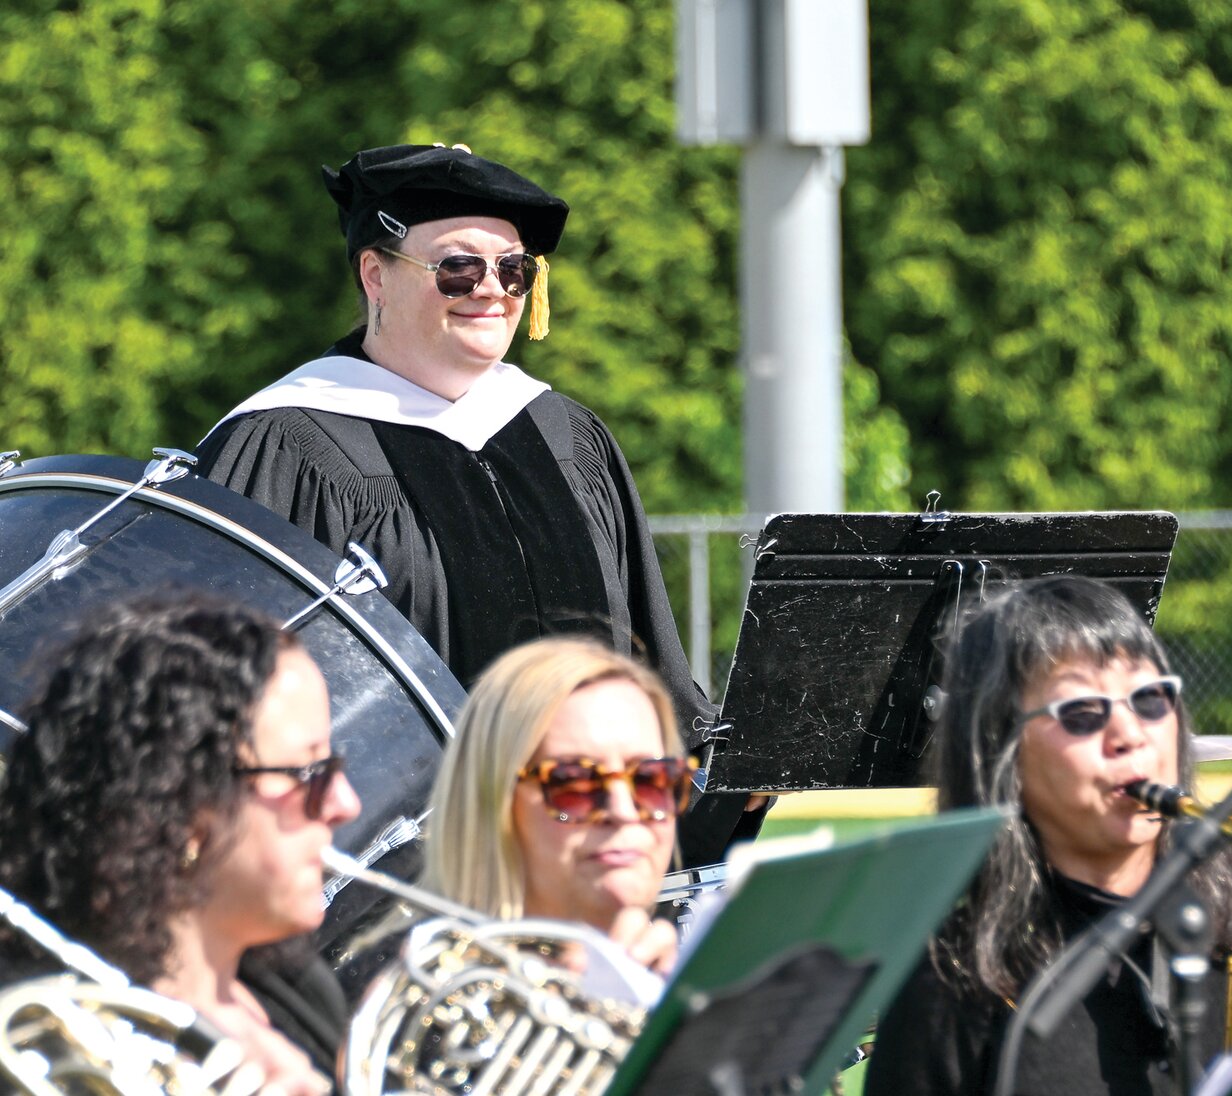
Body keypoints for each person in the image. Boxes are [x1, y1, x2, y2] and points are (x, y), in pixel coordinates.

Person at [194, 142, 750, 864]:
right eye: (457, 267)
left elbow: (649, 663)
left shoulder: (565, 435)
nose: (492, 289)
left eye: (514, 269)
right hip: (389, 884)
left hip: (591, 857)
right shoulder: (284, 446)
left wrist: (727, 784)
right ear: (376, 276)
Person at [865, 575, 1232, 1096]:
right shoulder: (948, 983)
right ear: (1004, 753)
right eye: (1083, 713)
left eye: (1150, 698)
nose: (1130, 735)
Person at [0, 592, 362, 1093]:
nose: (345, 803)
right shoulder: (41, 1042)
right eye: (309, 771)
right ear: (183, 804)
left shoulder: (296, 988)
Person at [343, 636, 688, 987]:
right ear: (493, 801)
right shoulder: (404, 987)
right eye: (574, 783)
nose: (623, 811)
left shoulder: (685, 988)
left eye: (650, 779)